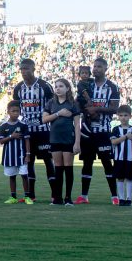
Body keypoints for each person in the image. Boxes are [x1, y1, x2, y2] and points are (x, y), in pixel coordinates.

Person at [76, 57, 120, 205]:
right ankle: (84, 196)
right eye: (94, 66)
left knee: (107, 163)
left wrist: (97, 109)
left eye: (99, 67)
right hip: (87, 132)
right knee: (87, 163)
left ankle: (115, 196)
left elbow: (114, 108)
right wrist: (86, 110)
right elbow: (79, 104)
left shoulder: (112, 87)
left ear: (105, 69)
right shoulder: (86, 85)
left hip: (103, 131)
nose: (95, 69)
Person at [12, 58, 55, 202]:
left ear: (33, 69)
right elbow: (16, 109)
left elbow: (53, 106)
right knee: (28, 161)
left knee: (48, 161)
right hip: (27, 132)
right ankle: (31, 195)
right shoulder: (18, 88)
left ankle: (54, 194)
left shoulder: (44, 86)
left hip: (43, 130)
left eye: (26, 69)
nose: (24, 72)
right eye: (22, 69)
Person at [42, 78, 81, 206]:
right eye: (56, 86)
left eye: (61, 86)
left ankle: (68, 198)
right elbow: (44, 119)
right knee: (58, 169)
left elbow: (77, 125)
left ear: (67, 88)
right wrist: (59, 113)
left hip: (68, 139)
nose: (58, 88)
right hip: (55, 139)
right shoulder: (51, 103)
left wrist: (77, 143)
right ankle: (57, 198)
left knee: (68, 168)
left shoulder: (73, 104)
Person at [0, 100, 32, 205]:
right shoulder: (3, 126)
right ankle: (13, 197)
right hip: (9, 156)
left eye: (17, 111)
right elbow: (1, 141)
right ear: (8, 111)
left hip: (21, 155)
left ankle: (27, 196)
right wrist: (11, 136)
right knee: (12, 176)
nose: (16, 113)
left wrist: (28, 155)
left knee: (24, 175)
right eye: (13, 111)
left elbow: (27, 140)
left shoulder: (23, 125)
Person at [111, 105, 132, 207]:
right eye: (121, 115)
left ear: (130, 116)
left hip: (130, 157)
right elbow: (114, 142)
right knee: (120, 178)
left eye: (126, 115)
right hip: (119, 158)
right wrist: (125, 137)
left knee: (129, 178)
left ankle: (129, 199)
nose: (123, 117)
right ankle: (121, 199)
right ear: (118, 116)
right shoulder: (115, 129)